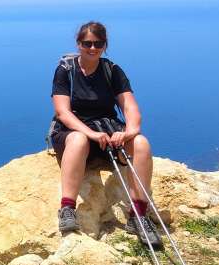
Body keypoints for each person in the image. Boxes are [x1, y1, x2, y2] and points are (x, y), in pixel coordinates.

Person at [50, 21, 161, 246]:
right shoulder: (66, 70)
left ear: (104, 45)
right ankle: (67, 209)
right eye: (87, 43)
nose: (92, 48)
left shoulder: (112, 71)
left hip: (107, 132)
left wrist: (130, 132)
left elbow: (129, 106)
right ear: (78, 44)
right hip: (75, 132)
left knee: (141, 144)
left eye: (98, 44)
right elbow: (63, 112)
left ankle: (138, 215)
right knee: (79, 140)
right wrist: (90, 133)